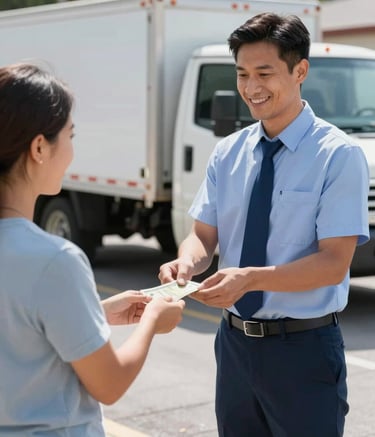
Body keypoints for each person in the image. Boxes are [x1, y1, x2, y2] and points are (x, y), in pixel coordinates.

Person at [159, 12, 369, 437]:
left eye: (264, 73)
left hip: (304, 352)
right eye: (242, 74)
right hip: (234, 347)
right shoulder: (228, 153)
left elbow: (333, 263)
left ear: (300, 71)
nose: (251, 88)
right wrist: (185, 263)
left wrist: (249, 280)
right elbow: (202, 235)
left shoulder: (339, 155)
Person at [0, 63, 185, 436]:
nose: (71, 150)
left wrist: (94, 314)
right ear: (39, 147)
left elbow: (18, 330)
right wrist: (152, 321)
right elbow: (109, 384)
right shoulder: (54, 260)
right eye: (70, 135)